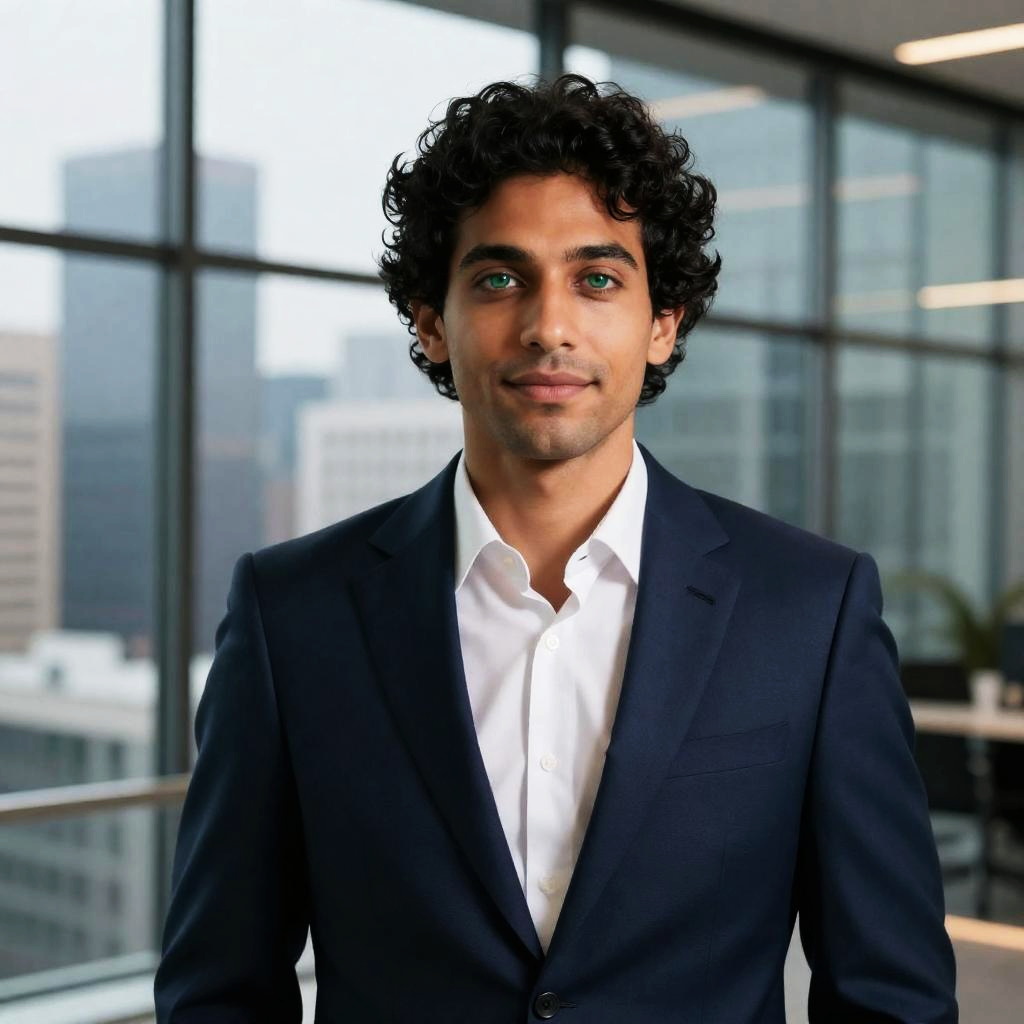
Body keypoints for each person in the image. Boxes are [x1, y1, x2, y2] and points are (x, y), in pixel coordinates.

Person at [154, 73, 958, 1023]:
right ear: (430, 320)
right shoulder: (293, 614)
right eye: (499, 279)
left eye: (598, 279)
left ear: (664, 324)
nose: (548, 327)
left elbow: (889, 995)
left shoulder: (810, 611)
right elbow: (219, 990)